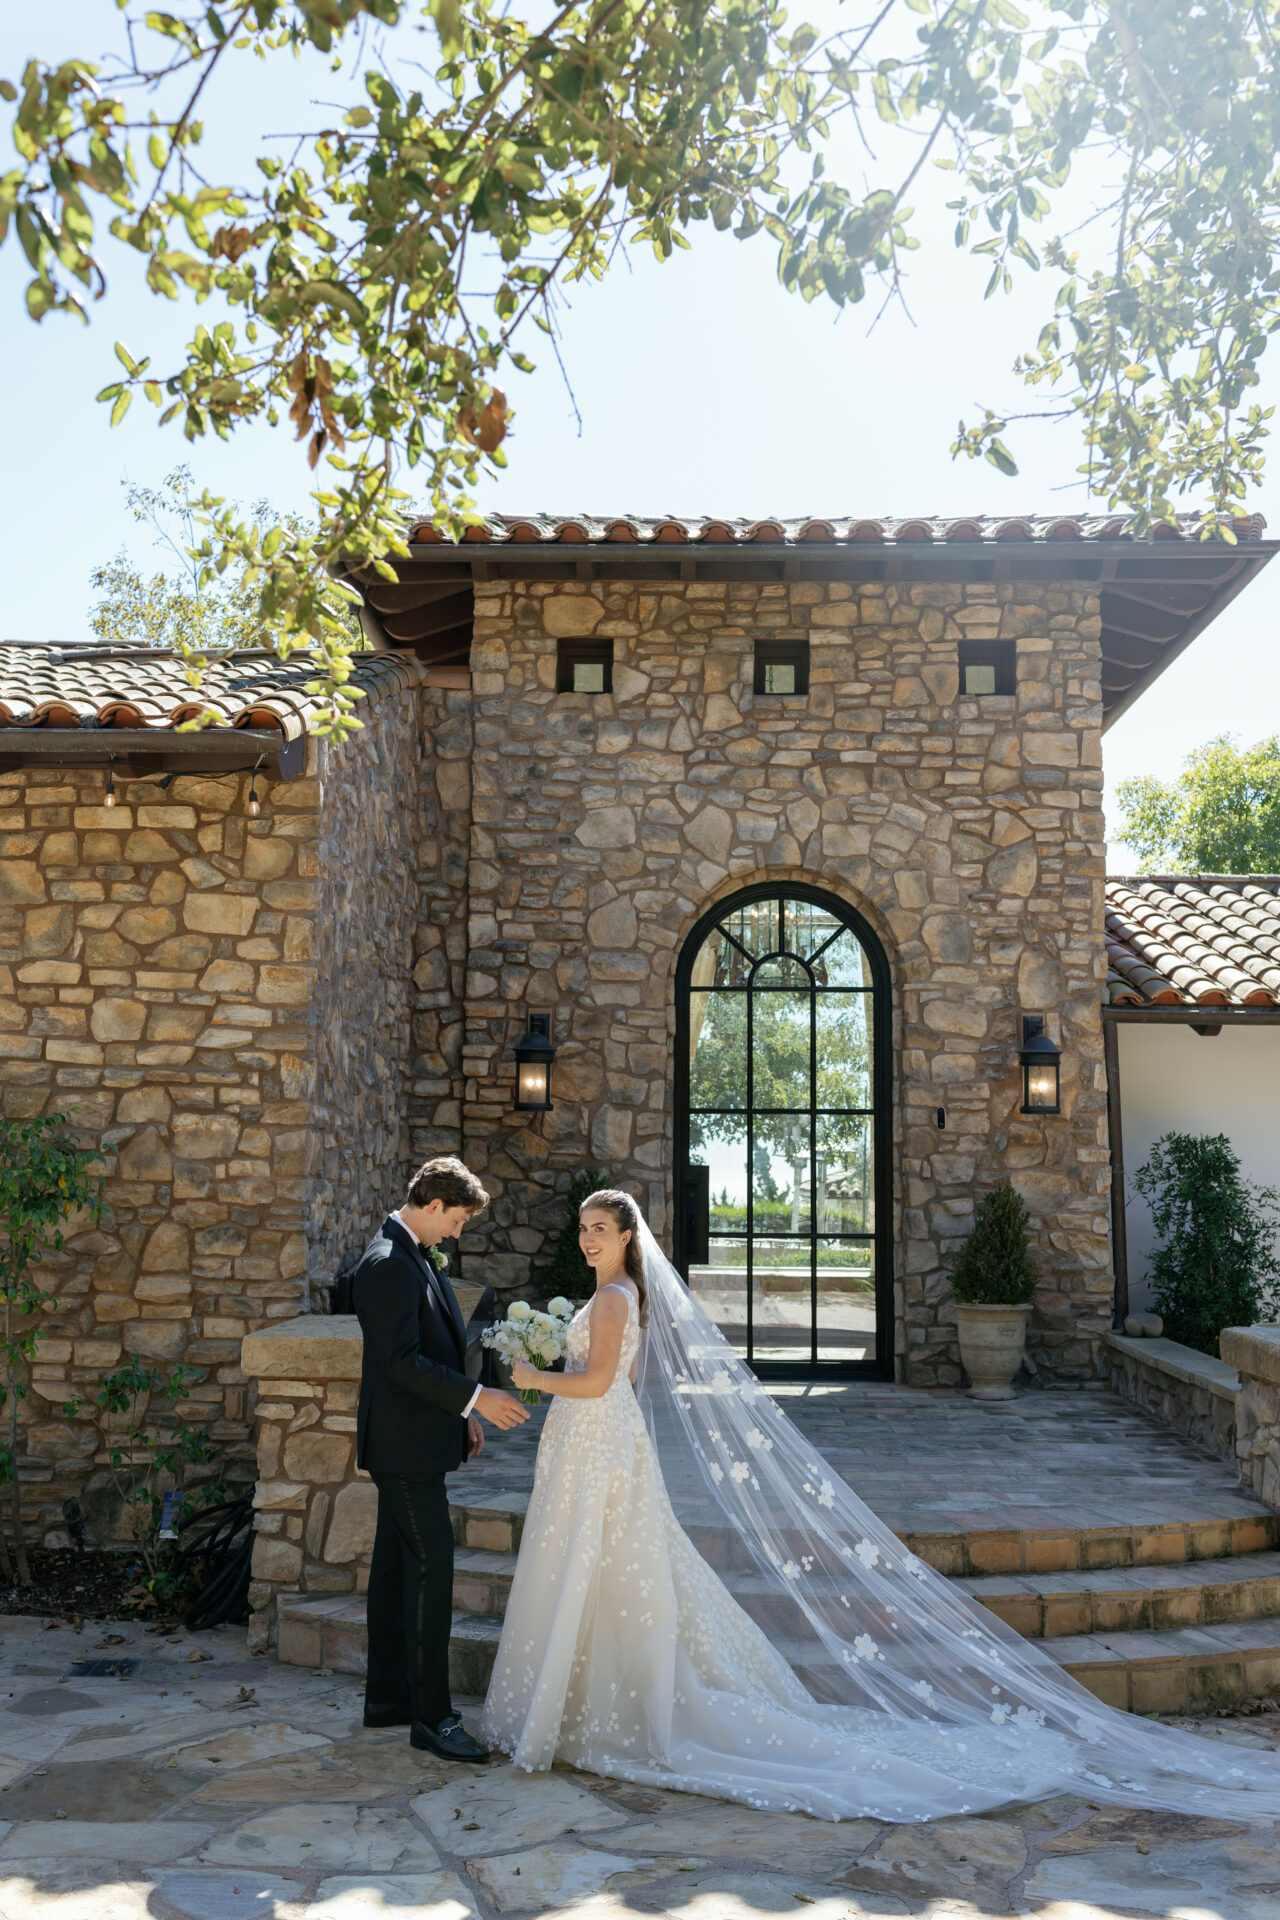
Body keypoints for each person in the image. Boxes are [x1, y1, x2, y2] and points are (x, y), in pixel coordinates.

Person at [480, 1186, 1280, 1824]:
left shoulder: (617, 1298)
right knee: (600, 1565)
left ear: (627, 1237)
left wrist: (533, 1378)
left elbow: (595, 1382)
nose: (587, 1238)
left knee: (608, 1564)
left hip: (599, 1437)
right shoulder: (609, 1293)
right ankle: (587, 1702)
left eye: (600, 1228)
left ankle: (611, 1708)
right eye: (582, 1227)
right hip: (589, 1444)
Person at [353, 1155, 528, 1761]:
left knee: (396, 1570)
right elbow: (399, 1364)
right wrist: (479, 1396)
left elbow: (432, 1349)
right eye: (455, 1220)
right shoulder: (386, 1266)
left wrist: (461, 1415)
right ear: (432, 1207)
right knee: (432, 1569)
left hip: (417, 1438)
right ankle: (432, 1719)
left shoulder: (410, 1254)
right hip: (402, 1449)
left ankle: (390, 1699)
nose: (456, 1232)